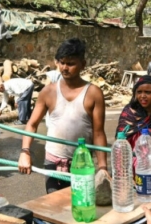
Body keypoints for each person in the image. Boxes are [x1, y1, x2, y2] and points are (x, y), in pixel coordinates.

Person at [17, 38, 109, 193]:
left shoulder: (94, 93)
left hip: (82, 164)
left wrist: (102, 167)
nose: (65, 68)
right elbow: (32, 124)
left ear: (83, 64)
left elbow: (98, 132)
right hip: (53, 162)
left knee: (82, 206)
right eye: (61, 62)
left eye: (71, 63)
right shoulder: (48, 92)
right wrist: (25, 152)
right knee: (55, 206)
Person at [116, 75, 151, 195]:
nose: (142, 96)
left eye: (148, 92)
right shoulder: (129, 113)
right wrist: (124, 176)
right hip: (130, 173)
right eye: (139, 92)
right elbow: (121, 145)